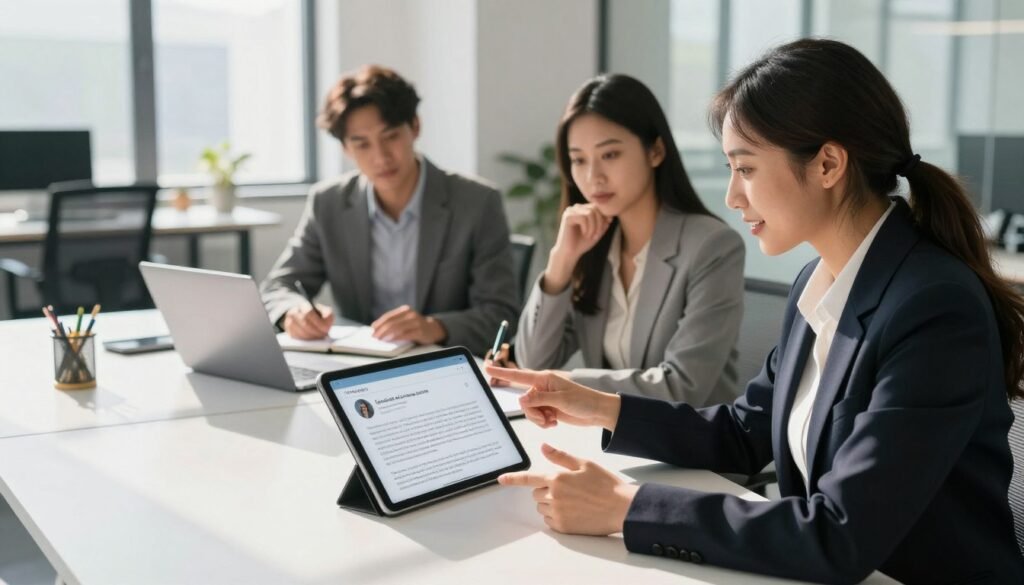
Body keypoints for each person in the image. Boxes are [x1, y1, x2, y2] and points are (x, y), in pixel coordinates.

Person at [487, 39, 1024, 584]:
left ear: (828, 164)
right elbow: (743, 432)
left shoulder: (933, 308)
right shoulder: (816, 285)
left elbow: (841, 534)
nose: (732, 197)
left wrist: (628, 507)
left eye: (744, 168)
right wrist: (600, 407)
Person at [491, 74, 744, 404]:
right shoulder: (593, 246)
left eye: (609, 155)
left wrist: (563, 383)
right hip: (611, 442)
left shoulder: (712, 247)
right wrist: (560, 263)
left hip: (687, 446)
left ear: (655, 151)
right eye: (579, 160)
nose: (593, 177)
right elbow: (534, 361)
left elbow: (682, 386)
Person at [261, 65, 519, 354]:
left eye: (391, 136)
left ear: (415, 127)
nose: (380, 157)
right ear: (346, 148)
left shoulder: (476, 202)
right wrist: (293, 312)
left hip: (441, 364)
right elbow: (278, 286)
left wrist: (434, 327)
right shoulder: (328, 202)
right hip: (357, 366)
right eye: (362, 144)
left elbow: (502, 315)